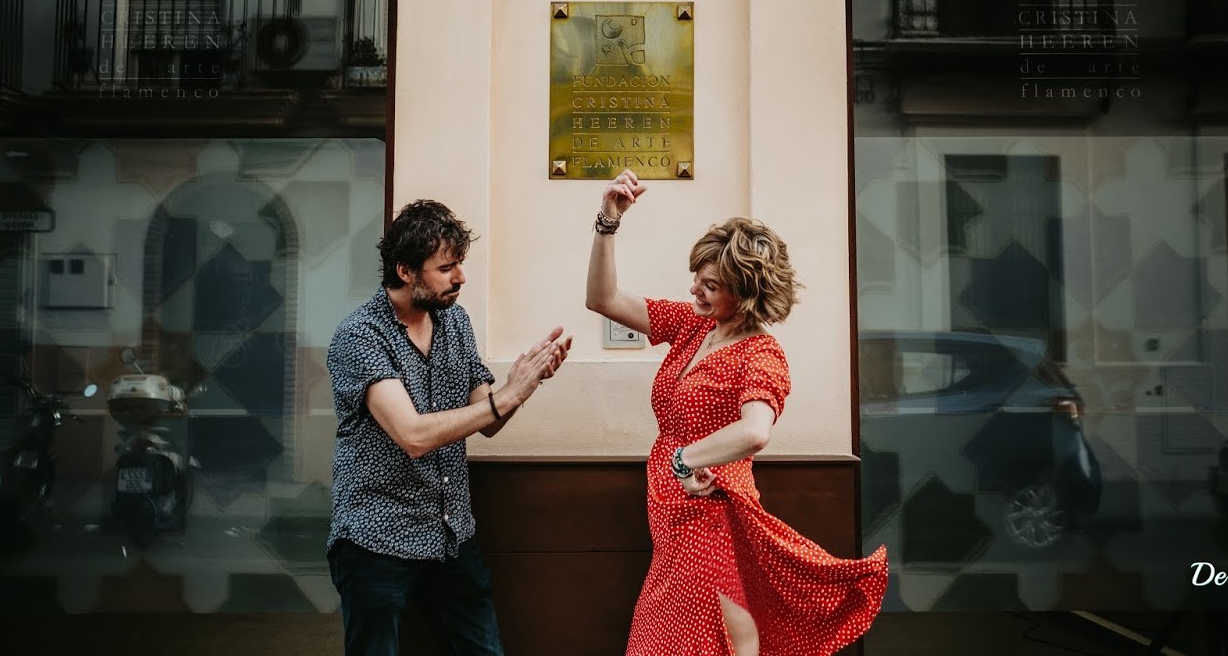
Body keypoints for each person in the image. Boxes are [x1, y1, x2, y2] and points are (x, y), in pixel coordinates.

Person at [586, 170, 887, 656]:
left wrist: (685, 459)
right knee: (673, 635)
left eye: (709, 285)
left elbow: (754, 431)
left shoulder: (761, 356)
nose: (694, 292)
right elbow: (602, 299)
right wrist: (608, 220)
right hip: (671, 516)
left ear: (745, 293)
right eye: (696, 280)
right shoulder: (691, 326)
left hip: (713, 509)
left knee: (724, 633)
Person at [327, 198, 571, 656]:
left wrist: (526, 382)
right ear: (405, 271)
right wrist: (507, 395)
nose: (460, 277)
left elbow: (488, 420)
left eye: (459, 264)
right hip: (377, 537)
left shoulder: (454, 320)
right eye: (446, 267)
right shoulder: (359, 335)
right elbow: (413, 436)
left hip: (451, 533)